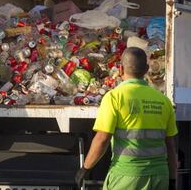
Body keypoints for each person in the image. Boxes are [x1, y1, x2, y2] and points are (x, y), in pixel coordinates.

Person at [75, 47, 178, 190]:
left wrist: (85, 168)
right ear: (147, 69)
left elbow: (102, 138)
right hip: (159, 176)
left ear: (121, 69)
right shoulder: (164, 101)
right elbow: (171, 146)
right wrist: (172, 179)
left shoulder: (114, 97)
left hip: (127, 177)